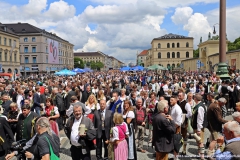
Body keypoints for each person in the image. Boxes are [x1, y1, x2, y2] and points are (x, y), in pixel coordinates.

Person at [191, 93, 207, 160]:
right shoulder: (199, 105)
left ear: (195, 99)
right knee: (198, 141)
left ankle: (202, 156)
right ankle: (199, 154)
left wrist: (198, 129)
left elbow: (200, 119)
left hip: (199, 127)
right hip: (197, 127)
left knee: (200, 141)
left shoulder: (200, 107)